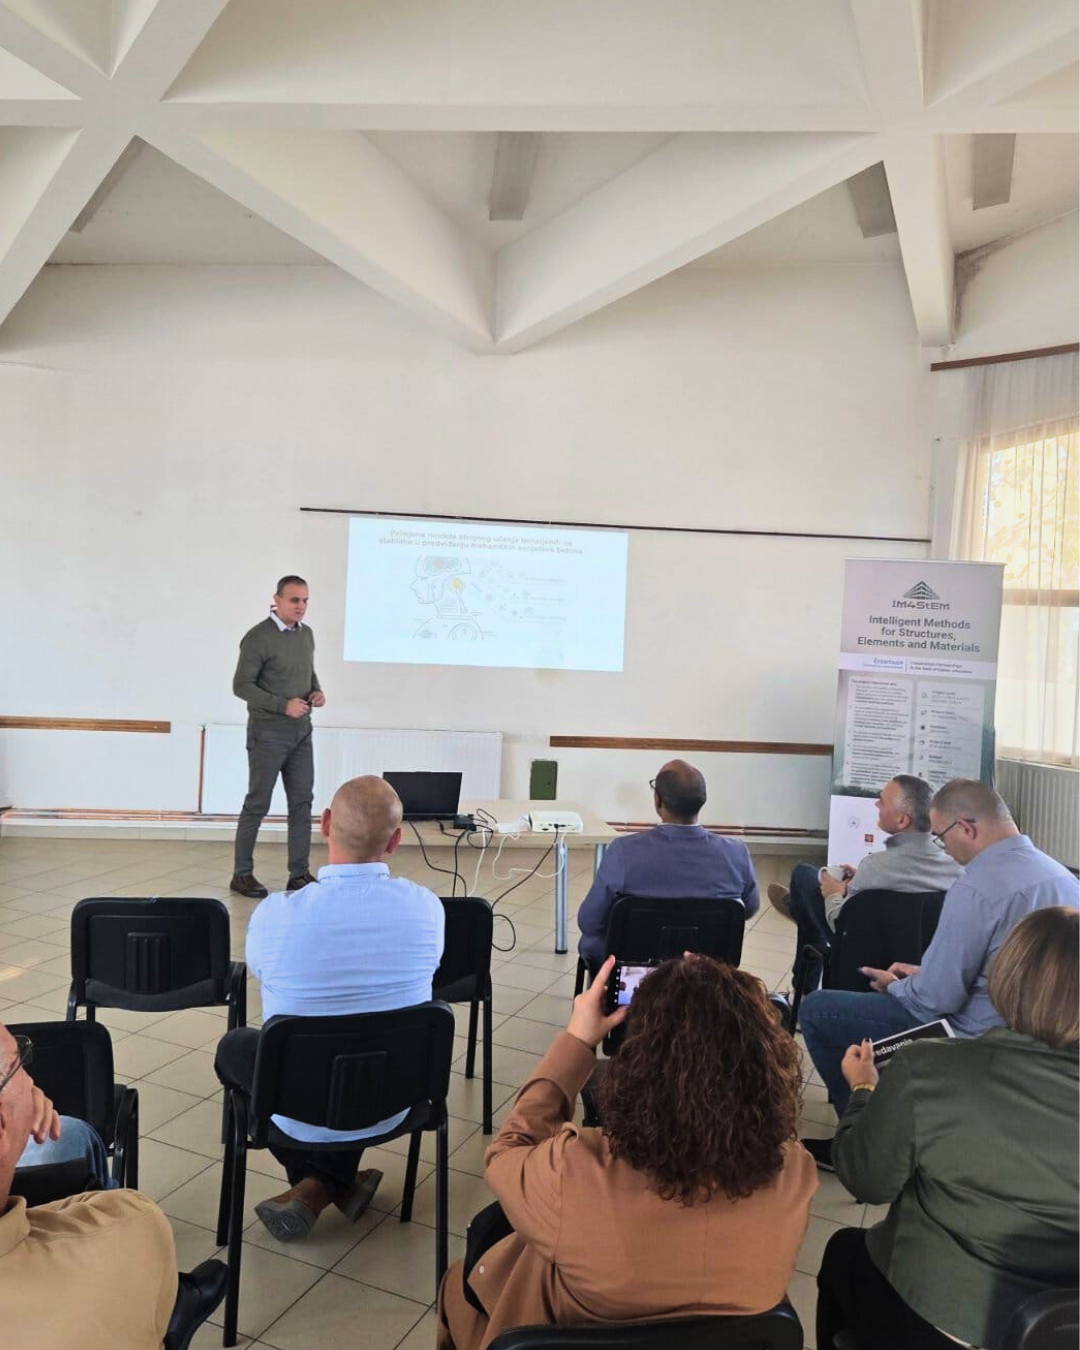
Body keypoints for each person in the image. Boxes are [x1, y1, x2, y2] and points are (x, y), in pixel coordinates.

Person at [436, 953, 817, 1350]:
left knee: (455, 1286)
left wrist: (577, 1041)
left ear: (634, 1068)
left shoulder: (573, 1175)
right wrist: (713, 990)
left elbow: (508, 1152)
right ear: (764, 1066)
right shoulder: (794, 1175)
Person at [817, 907, 1080, 1350]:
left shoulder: (929, 1068)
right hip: (1062, 1330)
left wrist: (863, 1088)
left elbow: (867, 1180)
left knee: (844, 1252)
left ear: (1006, 977)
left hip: (940, 1317)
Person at [799, 778, 1079, 1164]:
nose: (941, 846)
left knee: (818, 1010)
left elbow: (936, 1000)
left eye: (941, 836)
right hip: (1044, 1033)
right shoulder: (1061, 877)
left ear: (966, 828)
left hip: (967, 1036)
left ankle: (864, 1143)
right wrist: (923, 972)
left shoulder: (976, 888)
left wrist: (897, 986)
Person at [215, 775, 445, 1242]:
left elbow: (261, 972)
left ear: (323, 824)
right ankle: (334, 1180)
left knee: (236, 1047)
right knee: (359, 1045)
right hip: (395, 1099)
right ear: (396, 841)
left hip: (298, 1105)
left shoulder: (275, 914)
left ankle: (317, 1184)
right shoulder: (426, 908)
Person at [0, 1021, 179, 1349]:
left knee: (67, 1133)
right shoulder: (132, 1221)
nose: (32, 1081)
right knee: (71, 1136)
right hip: (109, 1272)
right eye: (19, 1062)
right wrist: (17, 1113)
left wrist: (15, 1108)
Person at [767, 775, 961, 992]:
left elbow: (840, 923)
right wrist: (860, 879)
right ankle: (801, 909)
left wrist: (833, 893)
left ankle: (803, 977)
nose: (876, 804)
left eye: (882, 801)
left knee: (803, 875)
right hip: (921, 959)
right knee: (811, 900)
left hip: (864, 952)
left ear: (902, 820)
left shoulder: (874, 866)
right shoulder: (956, 866)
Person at [577, 760, 759, 966]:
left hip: (633, 970)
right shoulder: (736, 852)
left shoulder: (623, 851)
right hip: (706, 971)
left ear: (658, 800)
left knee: (591, 942)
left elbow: (590, 922)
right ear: (702, 800)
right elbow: (748, 909)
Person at [230, 574, 326, 899]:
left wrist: (316, 691)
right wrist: (282, 706)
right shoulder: (258, 637)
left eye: (305, 600)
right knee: (257, 803)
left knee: (302, 803)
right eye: (294, 600)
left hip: (302, 733)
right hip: (268, 733)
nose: (301, 606)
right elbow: (241, 685)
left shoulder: (306, 634)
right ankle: (242, 875)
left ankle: (298, 874)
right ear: (277, 600)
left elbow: (308, 671)